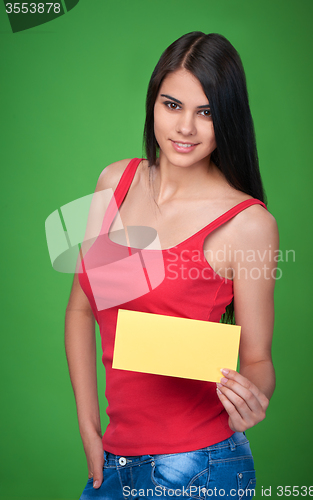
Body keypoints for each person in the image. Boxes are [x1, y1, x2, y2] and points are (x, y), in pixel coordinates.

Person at [65, 31, 278, 500]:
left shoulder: (247, 223)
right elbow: (82, 309)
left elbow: (258, 360)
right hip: (115, 460)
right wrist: (87, 425)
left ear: (228, 118)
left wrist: (253, 400)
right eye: (172, 104)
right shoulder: (114, 182)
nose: (185, 127)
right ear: (153, 103)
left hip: (201, 465)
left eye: (206, 112)